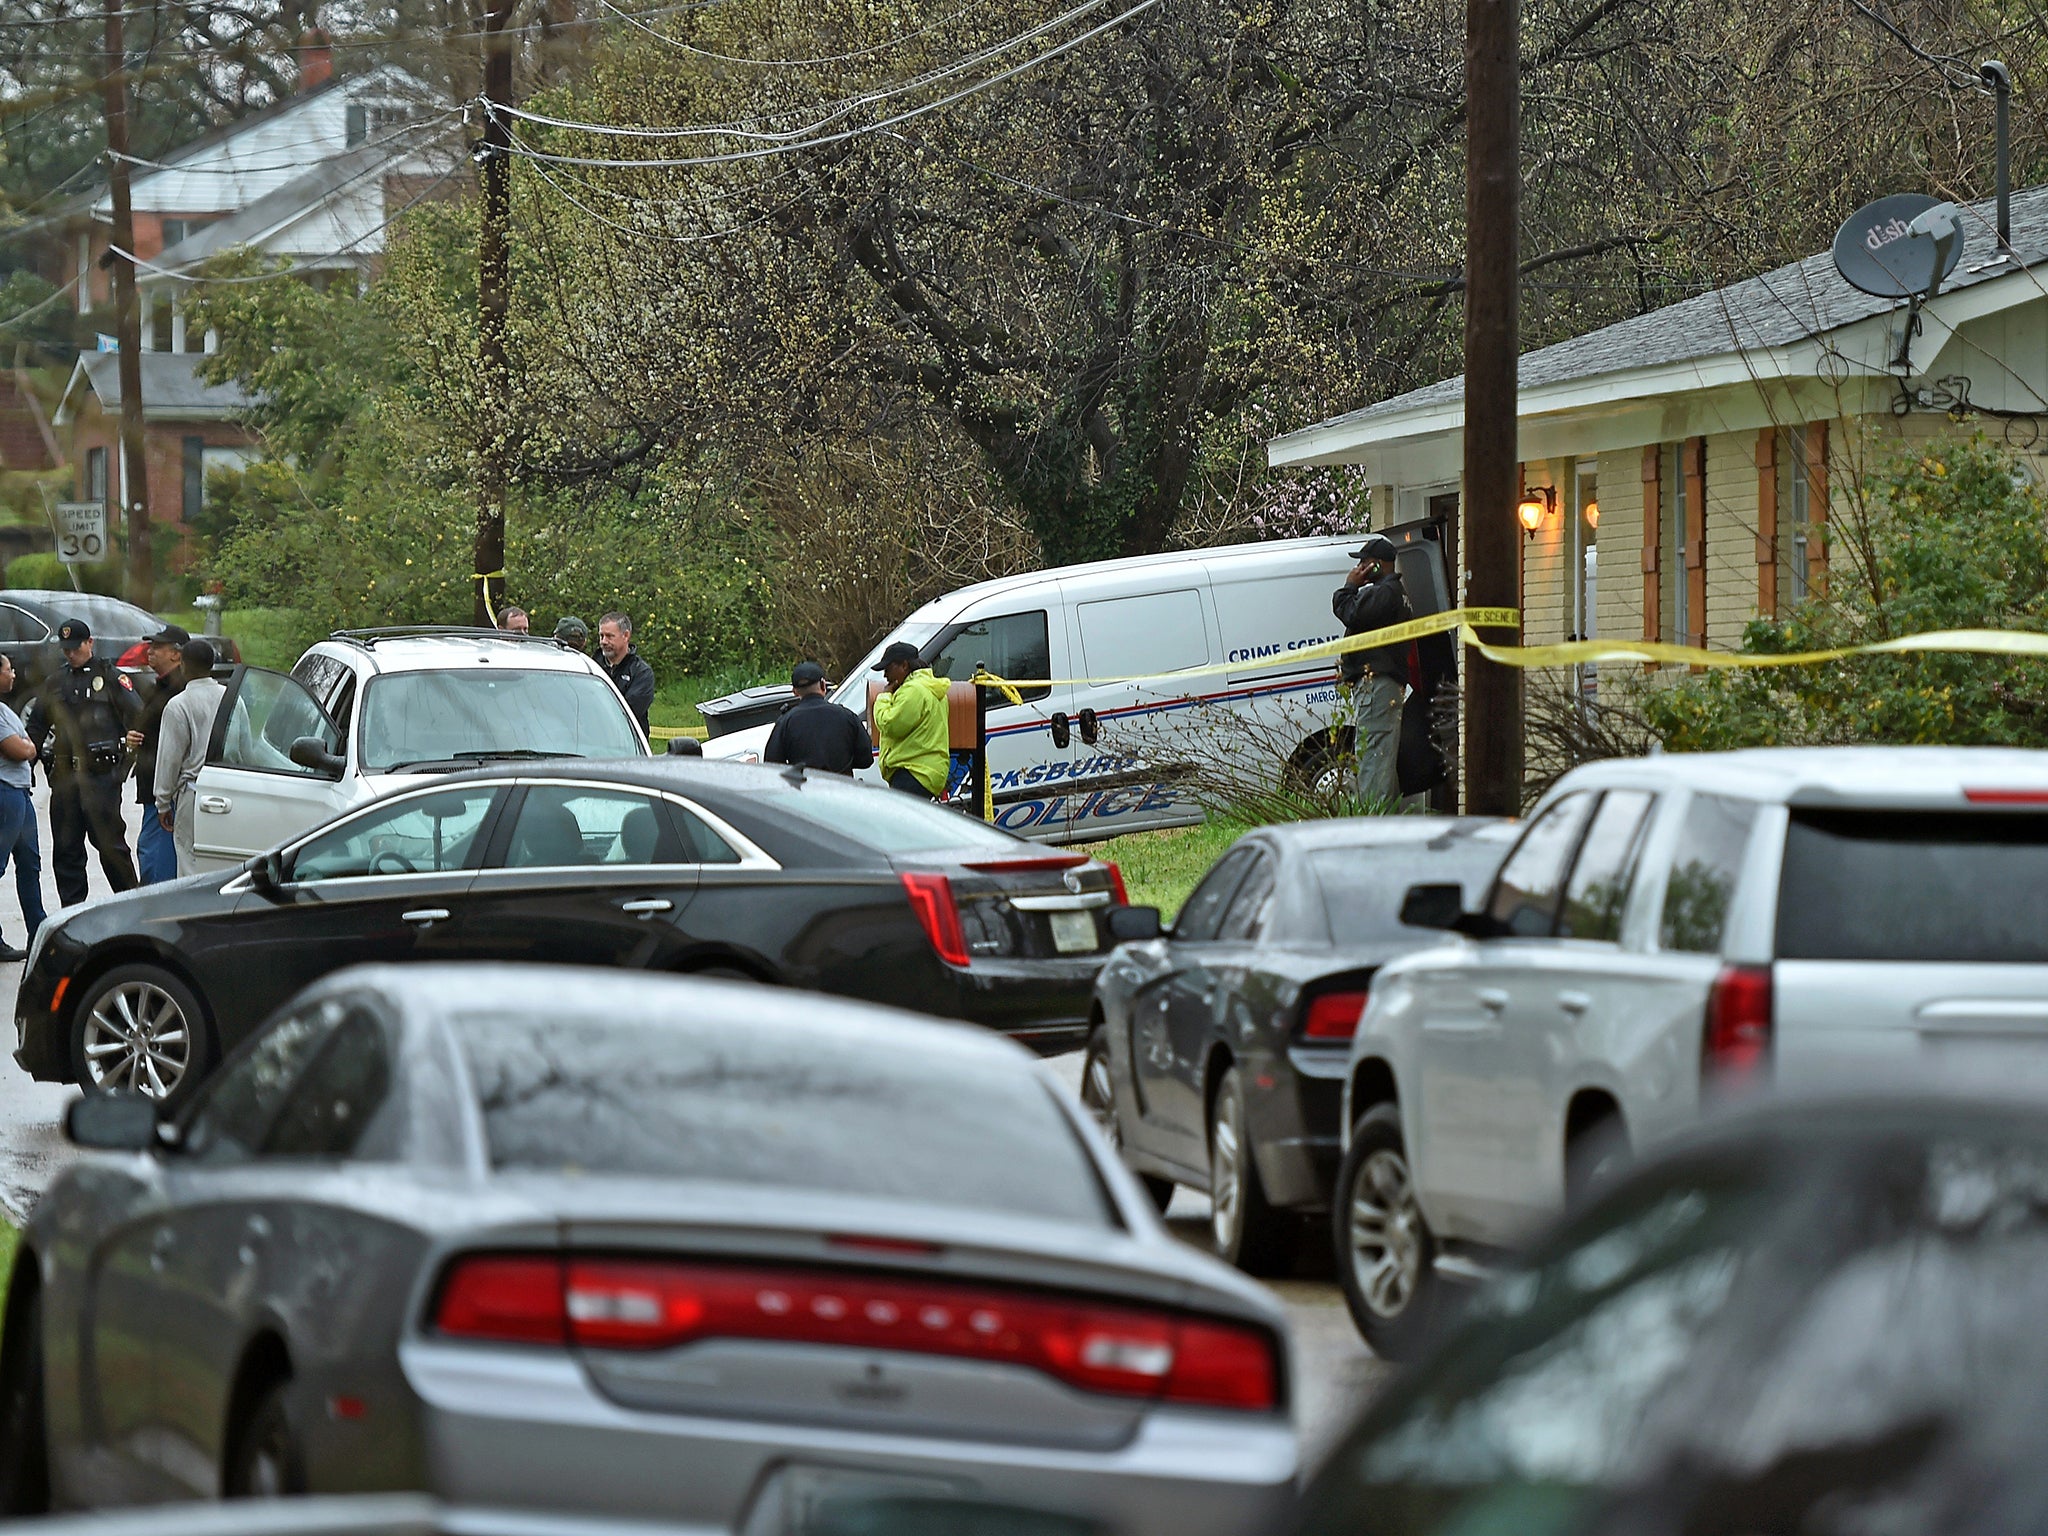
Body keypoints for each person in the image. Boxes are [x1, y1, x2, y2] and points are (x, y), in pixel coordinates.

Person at [23, 618, 141, 905]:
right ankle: (72, 913)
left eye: (76, 648)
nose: (70, 654)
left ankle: (132, 906)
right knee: (66, 851)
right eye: (66, 649)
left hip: (101, 777)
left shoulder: (111, 677)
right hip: (65, 779)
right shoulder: (55, 682)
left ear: (90, 643)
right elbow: (37, 727)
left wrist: (125, 764)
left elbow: (137, 716)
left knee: (111, 847)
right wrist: (26, 762)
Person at [1332, 534, 1412, 808]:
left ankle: (1370, 826)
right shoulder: (1394, 593)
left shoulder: (1386, 592)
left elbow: (1348, 611)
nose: (1361, 567)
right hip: (1384, 685)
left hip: (1376, 685)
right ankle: (1387, 824)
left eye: (1365, 563)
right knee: (1382, 760)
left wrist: (1349, 585)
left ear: (1377, 565)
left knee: (1373, 760)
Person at [153, 640, 227, 879]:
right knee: (223, 862)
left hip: (193, 794)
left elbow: (169, 759)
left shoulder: (178, 705)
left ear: (183, 665)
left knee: (189, 864)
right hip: (229, 791)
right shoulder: (229, 698)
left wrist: (162, 802)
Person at [125, 622, 189, 884]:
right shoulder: (157, 687)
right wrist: (133, 737)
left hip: (168, 789)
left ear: (176, 654)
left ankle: (154, 913)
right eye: (150, 646)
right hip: (152, 785)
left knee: (156, 859)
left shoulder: (181, 690)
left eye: (158, 647)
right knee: (151, 853)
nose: (150, 651)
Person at [0, 654, 48, 960]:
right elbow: (20, 750)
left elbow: (29, 744)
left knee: (30, 865)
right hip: (6, 794)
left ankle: (39, 933)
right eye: (8, 669)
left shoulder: (5, 710)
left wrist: (27, 744)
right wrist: (27, 745)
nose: (13, 675)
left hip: (21, 793)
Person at [763, 661, 874, 776]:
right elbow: (866, 760)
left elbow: (771, 765)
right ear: (823, 684)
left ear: (795, 692)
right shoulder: (847, 716)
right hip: (842, 788)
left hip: (804, 789)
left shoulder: (785, 722)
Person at [870, 641, 950, 798]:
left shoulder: (913, 690)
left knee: (898, 821)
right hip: (928, 770)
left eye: (888, 668)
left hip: (913, 771)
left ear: (904, 666)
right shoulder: (930, 687)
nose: (885, 675)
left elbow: (891, 724)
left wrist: (884, 697)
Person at [598, 611, 655, 738]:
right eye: (601, 636)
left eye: (609, 636)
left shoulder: (641, 673)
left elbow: (628, 713)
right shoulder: (592, 666)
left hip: (627, 745)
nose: (603, 641)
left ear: (626, 636)